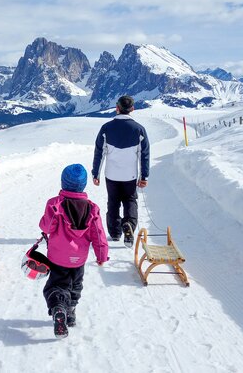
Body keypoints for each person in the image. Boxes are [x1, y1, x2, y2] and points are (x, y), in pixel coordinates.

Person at [39, 164, 109, 338]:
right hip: (79, 259)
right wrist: (101, 255)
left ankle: (58, 308)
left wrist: (51, 214)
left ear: (63, 182)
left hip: (57, 257)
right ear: (83, 185)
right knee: (76, 285)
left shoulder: (55, 204)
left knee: (56, 285)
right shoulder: (92, 208)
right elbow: (99, 234)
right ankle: (70, 312)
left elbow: (45, 227)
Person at [91, 95, 150, 247]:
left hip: (111, 175)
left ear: (117, 108)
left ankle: (115, 233)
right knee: (130, 200)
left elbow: (99, 152)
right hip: (130, 176)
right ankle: (129, 224)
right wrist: (144, 176)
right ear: (132, 109)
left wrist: (95, 174)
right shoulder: (139, 130)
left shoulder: (106, 128)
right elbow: (144, 154)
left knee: (113, 202)